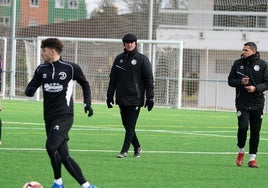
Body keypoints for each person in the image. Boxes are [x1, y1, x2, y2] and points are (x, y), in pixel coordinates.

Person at [25, 38, 97, 188]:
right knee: (63, 155)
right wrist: (30, 90)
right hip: (48, 117)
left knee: (51, 146)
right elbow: (32, 87)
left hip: (64, 115)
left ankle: (61, 182)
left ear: (52, 51)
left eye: (44, 51)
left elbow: (85, 84)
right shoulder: (41, 69)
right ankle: (78, 184)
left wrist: (87, 103)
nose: (41, 54)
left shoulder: (70, 68)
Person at [106, 33, 154, 158]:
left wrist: (150, 97)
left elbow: (149, 79)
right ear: (124, 44)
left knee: (131, 125)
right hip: (122, 97)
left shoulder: (142, 59)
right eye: (127, 42)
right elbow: (113, 79)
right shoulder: (119, 59)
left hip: (136, 98)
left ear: (135, 44)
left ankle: (124, 150)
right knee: (127, 125)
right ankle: (137, 147)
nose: (130, 44)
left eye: (132, 42)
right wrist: (109, 96)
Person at [228, 42, 268, 168]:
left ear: (253, 51)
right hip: (242, 102)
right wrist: (240, 81)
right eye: (243, 49)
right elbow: (230, 81)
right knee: (243, 127)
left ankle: (252, 159)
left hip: (258, 103)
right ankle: (241, 151)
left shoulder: (263, 65)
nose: (243, 51)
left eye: (246, 50)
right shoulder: (237, 63)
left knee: (255, 131)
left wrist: (255, 88)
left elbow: (267, 83)